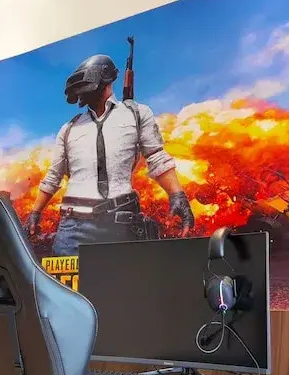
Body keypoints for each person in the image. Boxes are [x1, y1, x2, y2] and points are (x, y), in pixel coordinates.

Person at [25, 54, 192, 255]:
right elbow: (53, 176)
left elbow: (157, 158)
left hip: (121, 224)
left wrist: (177, 195)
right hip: (72, 228)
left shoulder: (137, 114)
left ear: (105, 79)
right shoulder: (69, 128)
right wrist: (35, 213)